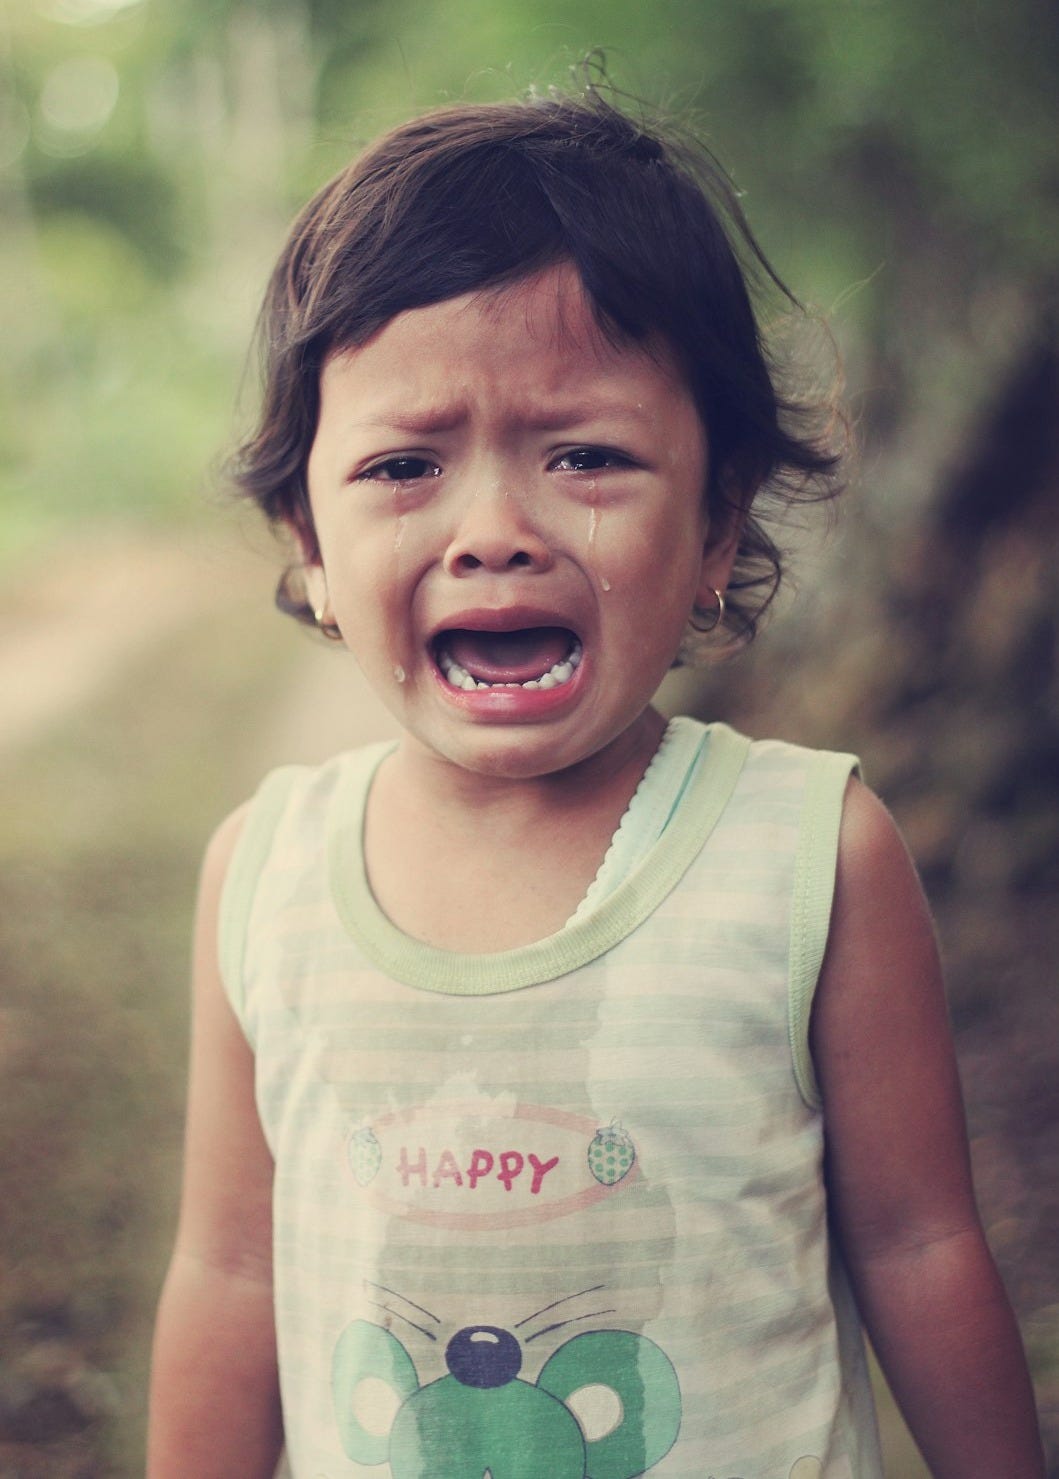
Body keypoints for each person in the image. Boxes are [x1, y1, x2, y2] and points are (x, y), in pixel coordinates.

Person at [147, 84, 1044, 1479]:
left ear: (715, 521)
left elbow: (920, 1242)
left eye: (585, 456)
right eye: (402, 465)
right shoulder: (265, 875)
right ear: (307, 540)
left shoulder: (810, 854)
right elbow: (228, 1271)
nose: (494, 530)